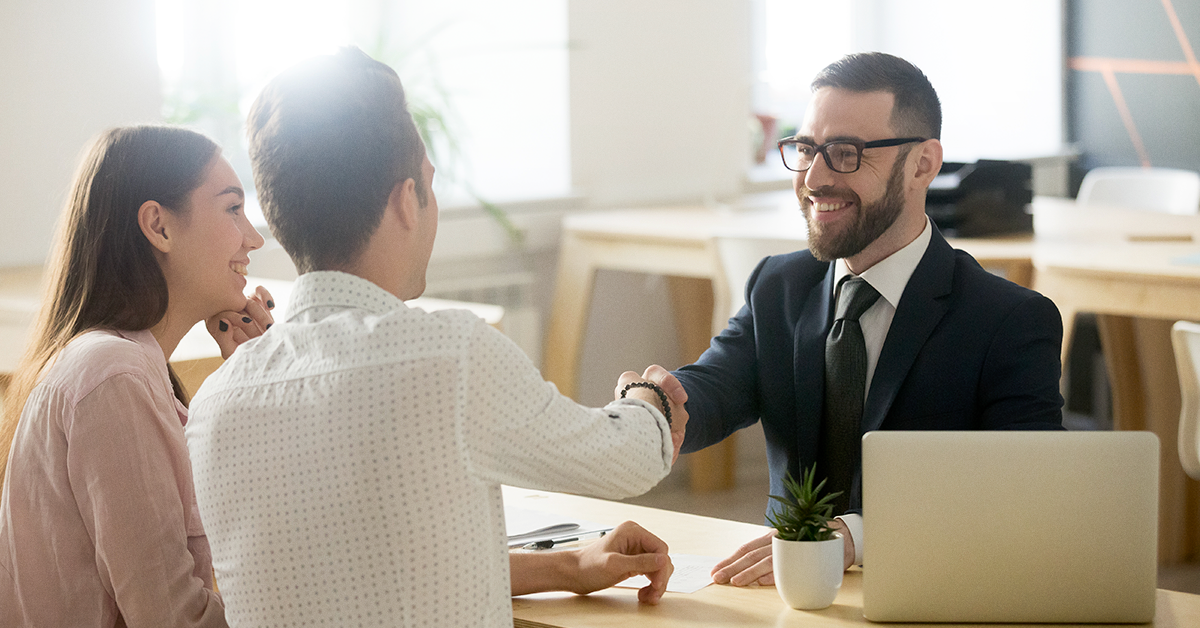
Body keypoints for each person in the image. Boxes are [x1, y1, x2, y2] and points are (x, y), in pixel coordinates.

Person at [183, 47, 686, 628]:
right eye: (429, 185)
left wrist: (568, 565)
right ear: (405, 200)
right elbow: (631, 461)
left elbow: (363, 566)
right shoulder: (450, 356)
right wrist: (645, 397)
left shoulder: (213, 408)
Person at [626, 52, 1064, 586]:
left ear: (923, 164)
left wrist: (852, 538)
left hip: (932, 592)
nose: (813, 177)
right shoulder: (779, 285)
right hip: (782, 596)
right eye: (807, 148)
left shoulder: (1010, 322)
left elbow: (1024, 495)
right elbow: (714, 386)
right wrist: (655, 402)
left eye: (846, 154)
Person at [0, 125, 276, 626]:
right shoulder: (112, 376)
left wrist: (244, 384)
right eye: (234, 208)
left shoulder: (123, 371)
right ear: (159, 226)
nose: (253, 238)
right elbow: (172, 617)